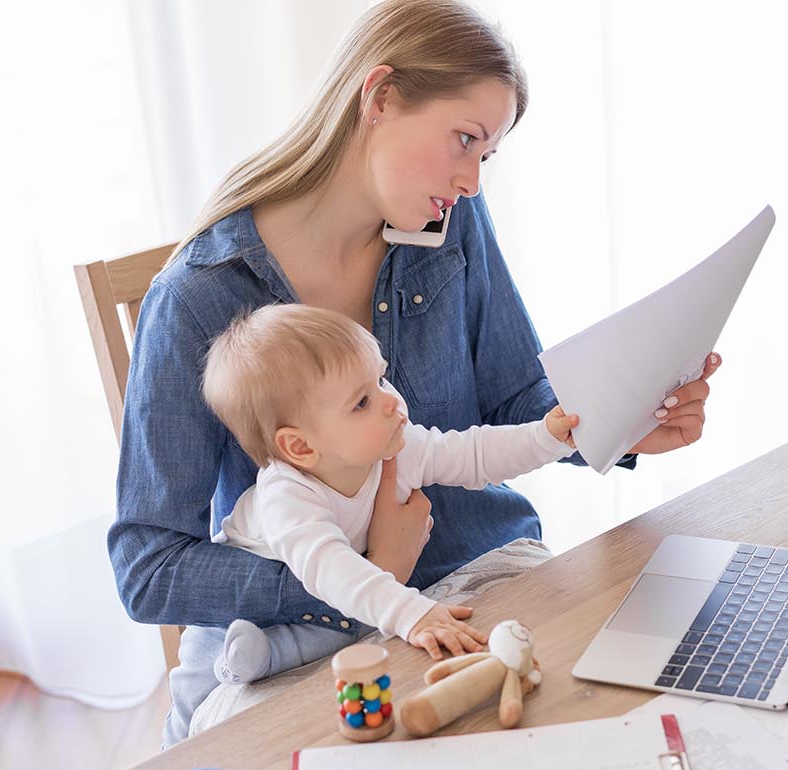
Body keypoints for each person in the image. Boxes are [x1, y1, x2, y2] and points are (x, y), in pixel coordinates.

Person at [109, 0, 720, 748]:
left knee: (632, 714)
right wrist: (367, 573)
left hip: (483, 571)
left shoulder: (449, 222)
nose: (470, 181)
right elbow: (148, 568)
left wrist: (626, 424)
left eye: (486, 155)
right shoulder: (200, 295)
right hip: (306, 629)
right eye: (464, 140)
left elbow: (514, 397)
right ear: (381, 96)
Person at [202, 303, 580, 685]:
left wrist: (546, 437)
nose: (392, 402)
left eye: (381, 379)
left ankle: (269, 654)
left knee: (345, 625)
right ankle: (251, 659)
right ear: (300, 447)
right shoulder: (286, 495)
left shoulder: (394, 446)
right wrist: (411, 614)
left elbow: (473, 454)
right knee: (224, 663)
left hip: (334, 603)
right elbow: (332, 570)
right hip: (245, 614)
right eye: (362, 402)